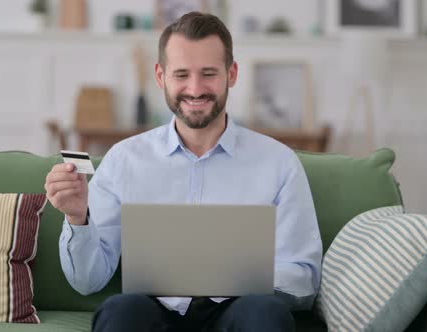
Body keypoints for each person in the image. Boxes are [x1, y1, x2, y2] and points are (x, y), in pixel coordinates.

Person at [45, 12, 322, 332]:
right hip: (153, 310)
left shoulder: (279, 162)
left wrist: (234, 275)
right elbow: (87, 282)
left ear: (231, 74)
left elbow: (303, 279)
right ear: (161, 77)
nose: (195, 88)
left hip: (241, 310)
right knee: (120, 311)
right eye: (181, 75)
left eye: (208, 73)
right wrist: (79, 219)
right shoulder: (124, 159)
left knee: (264, 314)